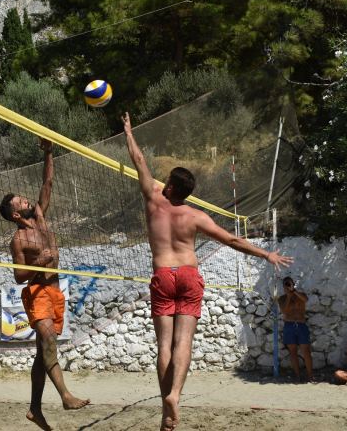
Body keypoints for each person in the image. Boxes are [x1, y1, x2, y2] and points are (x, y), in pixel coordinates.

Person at [121, 112, 293, 431]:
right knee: (184, 342)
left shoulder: (153, 201)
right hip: (187, 275)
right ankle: (175, 394)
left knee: (164, 346)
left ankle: (164, 406)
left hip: (162, 275)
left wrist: (129, 132)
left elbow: (140, 160)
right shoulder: (195, 215)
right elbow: (231, 239)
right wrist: (266, 253)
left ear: (169, 186)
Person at [0, 138, 89, 431]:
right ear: (15, 215)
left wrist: (49, 152)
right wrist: (40, 262)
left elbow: (48, 182)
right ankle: (65, 396)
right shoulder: (19, 240)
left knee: (43, 351)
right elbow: (18, 277)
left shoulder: (40, 217)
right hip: (36, 292)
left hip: (55, 289)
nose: (26, 201)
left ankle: (35, 409)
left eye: (25, 199)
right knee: (49, 341)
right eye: (20, 202)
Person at [277, 276, 314, 382]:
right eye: (286, 285)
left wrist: (294, 291)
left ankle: (310, 375)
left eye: (289, 284)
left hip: (301, 325)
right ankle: (297, 375)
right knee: (293, 352)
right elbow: (284, 310)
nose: (288, 286)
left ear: (293, 284)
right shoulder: (282, 298)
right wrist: (288, 296)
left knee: (306, 351)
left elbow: (305, 300)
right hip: (289, 325)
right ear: (283, 286)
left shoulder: (300, 295)